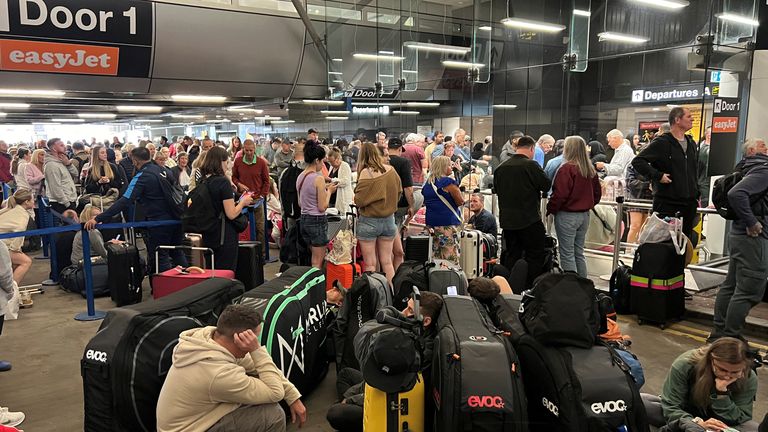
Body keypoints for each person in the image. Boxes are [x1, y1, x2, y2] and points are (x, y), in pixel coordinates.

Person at [156, 304, 305, 432]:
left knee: (262, 379)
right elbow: (275, 392)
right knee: (272, 415)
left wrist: (292, 396)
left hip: (199, 418)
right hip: (191, 428)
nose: (255, 343)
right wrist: (256, 350)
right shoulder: (218, 373)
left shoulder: (208, 340)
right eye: (254, 339)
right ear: (239, 339)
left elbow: (260, 367)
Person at [326, 291, 444, 432]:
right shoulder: (415, 335)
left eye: (410, 310)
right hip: (382, 385)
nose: (403, 312)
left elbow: (388, 388)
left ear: (426, 321)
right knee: (345, 375)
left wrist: (352, 399)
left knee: (335, 413)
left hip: (391, 397)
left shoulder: (416, 352)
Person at [85, 147, 188, 274]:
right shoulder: (164, 170)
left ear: (134, 161)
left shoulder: (142, 176)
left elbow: (125, 200)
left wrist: (98, 218)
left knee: (160, 256)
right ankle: (187, 284)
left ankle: (164, 290)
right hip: (176, 218)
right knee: (177, 252)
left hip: (158, 222)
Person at [708, 138, 768, 343]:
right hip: (752, 237)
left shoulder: (743, 168)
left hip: (738, 235)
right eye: (763, 146)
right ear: (752, 150)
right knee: (750, 288)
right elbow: (737, 193)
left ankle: (719, 332)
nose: (766, 148)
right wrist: (752, 222)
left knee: (731, 285)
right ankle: (731, 338)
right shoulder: (763, 169)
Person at [641, 338, 759, 432]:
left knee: (755, 428)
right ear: (711, 360)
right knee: (641, 401)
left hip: (722, 424)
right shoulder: (686, 364)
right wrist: (696, 423)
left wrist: (721, 394)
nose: (728, 376)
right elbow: (671, 405)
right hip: (686, 417)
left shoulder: (749, 377)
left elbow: (741, 417)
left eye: (734, 372)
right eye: (722, 370)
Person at [632, 107, 699, 243]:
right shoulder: (662, 142)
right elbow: (638, 161)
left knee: (684, 246)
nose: (692, 119)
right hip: (667, 203)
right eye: (688, 116)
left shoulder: (691, 143)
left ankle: (680, 265)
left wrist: (696, 192)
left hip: (689, 204)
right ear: (677, 120)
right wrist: (657, 175)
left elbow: (693, 170)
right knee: (665, 245)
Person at [494, 135, 551, 287]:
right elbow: (546, 185)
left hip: (508, 221)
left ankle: (510, 288)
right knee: (535, 256)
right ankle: (531, 288)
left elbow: (497, 190)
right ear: (532, 148)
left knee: (512, 255)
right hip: (529, 219)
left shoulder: (501, 168)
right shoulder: (531, 166)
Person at [547, 136, 602, 277]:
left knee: (566, 253)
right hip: (584, 215)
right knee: (579, 253)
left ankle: (571, 287)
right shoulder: (590, 170)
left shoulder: (566, 169)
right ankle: (583, 285)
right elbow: (597, 194)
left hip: (567, 215)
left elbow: (560, 194)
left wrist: (551, 209)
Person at [197, 147, 254, 271]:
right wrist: (243, 202)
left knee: (212, 271)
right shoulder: (223, 182)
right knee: (226, 273)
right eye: (226, 162)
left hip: (208, 233)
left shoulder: (203, 181)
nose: (228, 166)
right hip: (224, 236)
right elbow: (231, 214)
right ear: (220, 162)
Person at [353, 142, 401, 284]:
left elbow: (359, 201)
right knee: (387, 262)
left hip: (369, 222)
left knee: (370, 264)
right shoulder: (391, 170)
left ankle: (375, 297)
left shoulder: (364, 173)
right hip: (389, 221)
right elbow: (399, 192)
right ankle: (391, 295)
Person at [297, 144, 337, 269]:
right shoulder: (318, 179)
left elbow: (300, 203)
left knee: (313, 258)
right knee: (317, 262)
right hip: (317, 221)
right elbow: (322, 206)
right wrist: (329, 191)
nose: (322, 165)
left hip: (304, 220)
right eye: (322, 161)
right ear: (316, 160)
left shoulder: (300, 176)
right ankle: (316, 288)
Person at [422, 156, 464, 265]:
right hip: (447, 223)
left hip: (431, 223)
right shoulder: (448, 182)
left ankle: (437, 278)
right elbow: (460, 201)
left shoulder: (428, 183)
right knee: (450, 255)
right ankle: (449, 279)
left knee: (436, 255)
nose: (451, 167)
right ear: (444, 167)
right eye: (449, 165)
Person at [232, 139, 270, 247]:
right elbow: (234, 177)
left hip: (257, 199)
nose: (249, 153)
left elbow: (267, 181)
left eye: (251, 150)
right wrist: (239, 184)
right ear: (243, 149)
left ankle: (260, 255)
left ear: (255, 149)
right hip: (242, 199)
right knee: (241, 226)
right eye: (247, 150)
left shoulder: (261, 162)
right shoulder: (238, 161)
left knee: (260, 227)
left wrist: (262, 195)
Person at [385, 138, 416, 271]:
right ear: (399, 149)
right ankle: (395, 273)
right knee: (393, 247)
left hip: (383, 206)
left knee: (384, 247)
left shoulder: (381, 162)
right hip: (399, 205)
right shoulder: (404, 162)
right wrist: (412, 206)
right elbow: (408, 188)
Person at [0, 190, 34, 284]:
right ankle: (11, 291)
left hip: (3, 243)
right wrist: (15, 249)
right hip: (2, 246)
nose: (34, 201)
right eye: (32, 199)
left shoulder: (11, 208)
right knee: (26, 261)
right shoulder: (22, 214)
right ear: (26, 202)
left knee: (16, 262)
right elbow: (19, 232)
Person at [44, 138, 79, 215]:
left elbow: (76, 174)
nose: (65, 147)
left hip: (69, 199)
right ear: (54, 148)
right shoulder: (51, 165)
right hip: (61, 203)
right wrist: (67, 203)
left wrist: (68, 164)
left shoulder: (62, 160)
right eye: (61, 145)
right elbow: (55, 187)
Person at [625, 162, 653, 245]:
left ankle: (637, 250)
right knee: (635, 225)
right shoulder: (632, 165)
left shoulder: (654, 165)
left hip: (649, 197)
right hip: (635, 197)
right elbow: (630, 183)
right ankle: (628, 251)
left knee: (644, 227)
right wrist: (647, 185)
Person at [327, 148, 353, 215]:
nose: (331, 164)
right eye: (330, 162)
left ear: (338, 159)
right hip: (332, 199)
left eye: (332, 161)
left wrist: (331, 180)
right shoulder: (331, 167)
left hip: (342, 198)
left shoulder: (345, 166)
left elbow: (345, 181)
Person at [698, 126, 712, 206]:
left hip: (709, 179)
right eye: (708, 133)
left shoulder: (717, 147)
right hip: (700, 179)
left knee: (706, 200)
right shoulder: (699, 146)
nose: (710, 135)